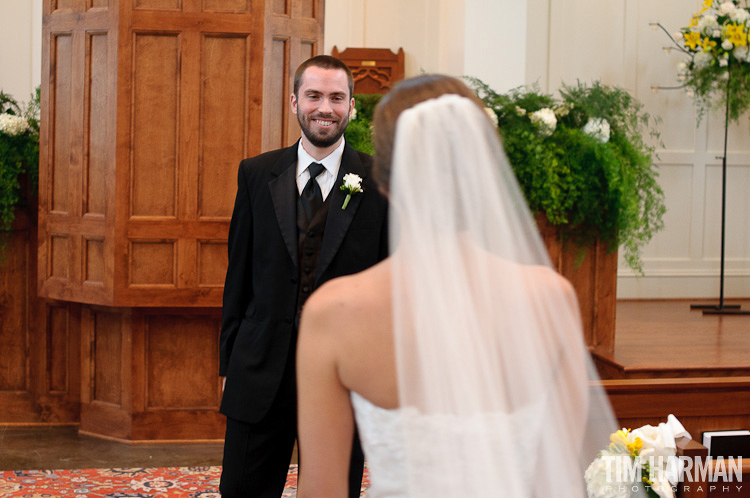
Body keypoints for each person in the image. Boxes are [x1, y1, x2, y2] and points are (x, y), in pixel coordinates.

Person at [295, 75, 624, 497]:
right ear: (484, 171)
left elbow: (321, 490)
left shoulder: (333, 313)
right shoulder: (550, 298)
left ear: (383, 182)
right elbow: (554, 481)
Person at [219, 55, 389, 498]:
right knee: (241, 490)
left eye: (336, 97)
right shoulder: (256, 174)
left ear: (353, 106)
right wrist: (229, 362)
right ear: (295, 101)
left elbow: (388, 285)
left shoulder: (379, 181)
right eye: (314, 96)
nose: (324, 108)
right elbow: (238, 275)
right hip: (260, 369)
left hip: (344, 374)